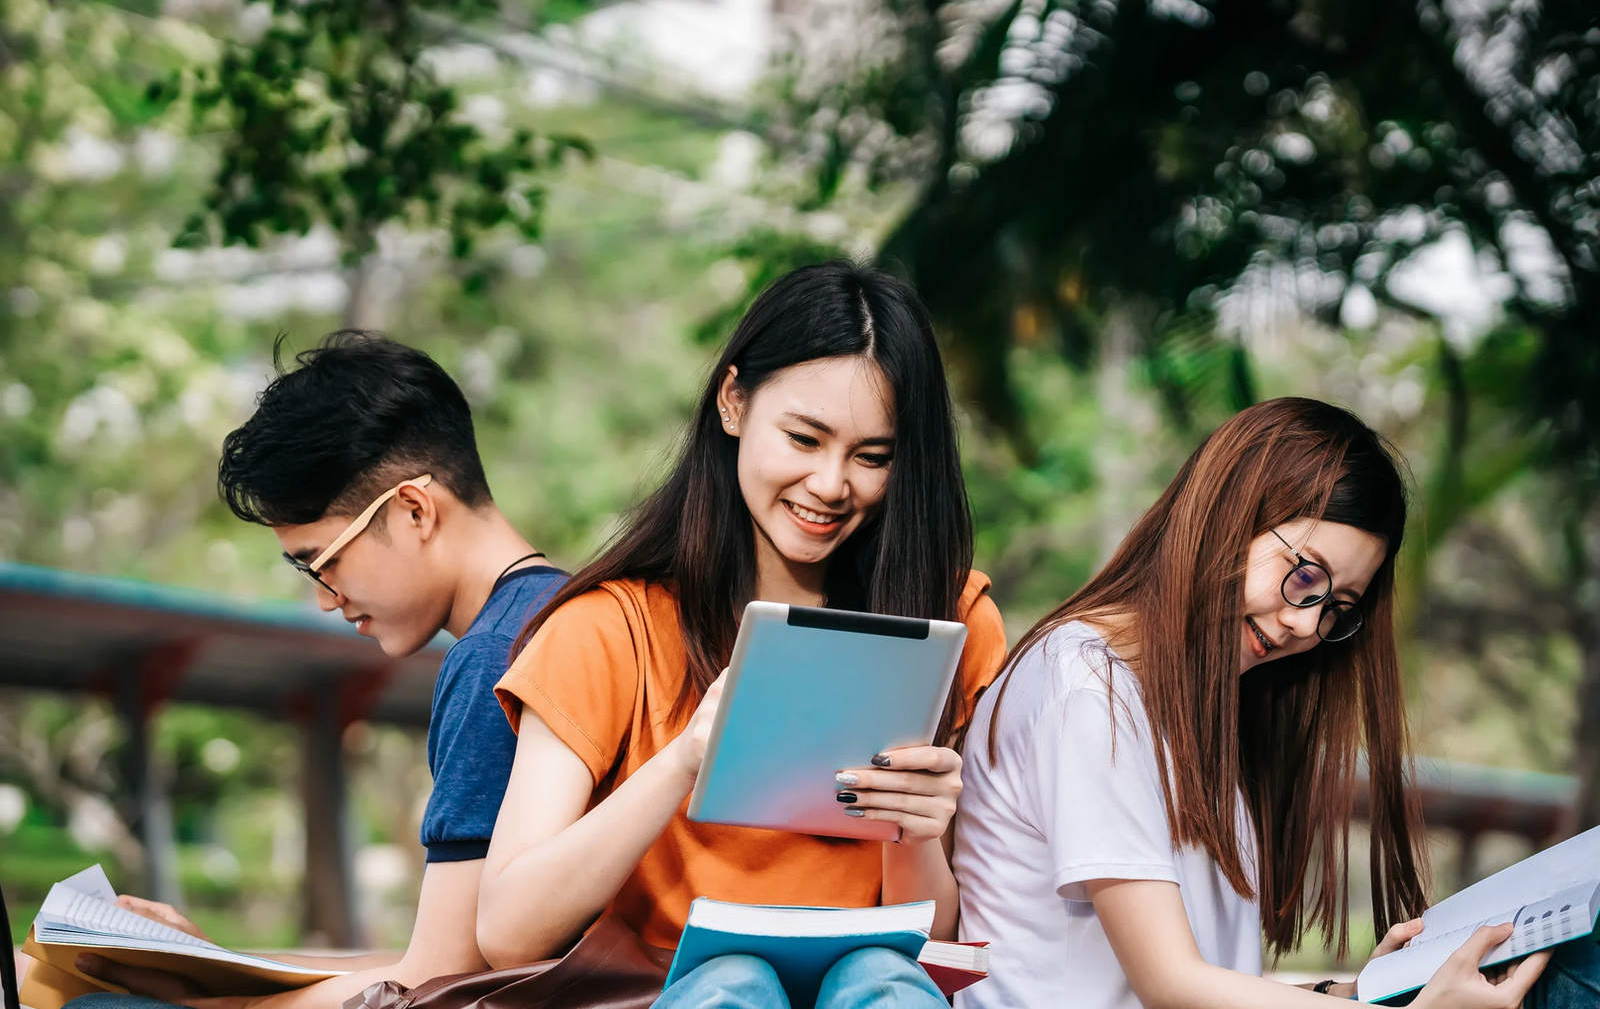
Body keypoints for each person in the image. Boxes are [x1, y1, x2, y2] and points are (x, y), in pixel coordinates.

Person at [475, 262, 1009, 1008]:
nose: (831, 484)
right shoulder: (607, 629)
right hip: (672, 990)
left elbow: (929, 939)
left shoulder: (948, 620)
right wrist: (684, 761)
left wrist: (915, 831)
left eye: (872, 456)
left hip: (878, 981)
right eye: (804, 438)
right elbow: (507, 929)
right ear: (733, 403)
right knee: (734, 985)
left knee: (882, 981)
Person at [953, 397, 1600, 1009]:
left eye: (1336, 606)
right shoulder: (1087, 686)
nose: (1306, 626)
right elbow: (1172, 987)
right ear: (1229, 514)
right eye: (1307, 576)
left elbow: (1215, 978)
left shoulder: (1192, 709)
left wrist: (1358, 991)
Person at [70, 331, 566, 1009]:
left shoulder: (494, 658)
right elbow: (440, 956)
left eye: (322, 560)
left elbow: (436, 984)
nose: (325, 600)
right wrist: (221, 962)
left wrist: (219, 1000)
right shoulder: (572, 611)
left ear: (414, 509)